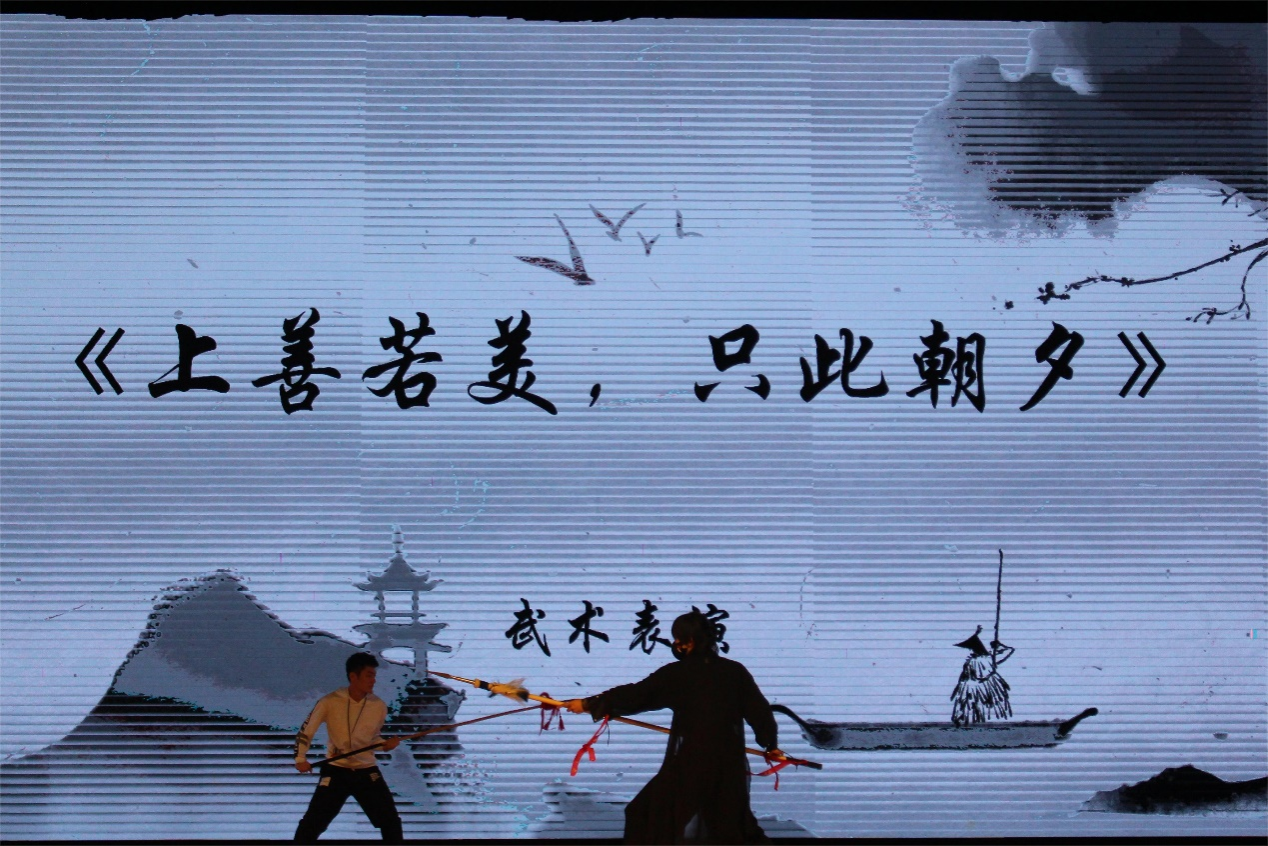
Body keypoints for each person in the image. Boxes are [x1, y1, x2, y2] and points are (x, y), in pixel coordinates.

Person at [564, 610, 784, 845]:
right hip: (727, 767)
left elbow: (636, 695)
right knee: (731, 827)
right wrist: (770, 745)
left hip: (691, 765)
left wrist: (588, 704)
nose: (676, 643)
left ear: (689, 641)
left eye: (679, 638)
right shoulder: (734, 671)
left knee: (643, 813)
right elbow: (759, 711)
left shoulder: (679, 673)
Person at [293, 652, 403, 843]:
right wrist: (300, 758)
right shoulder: (329, 701)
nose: (373, 680)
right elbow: (306, 731)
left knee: (390, 822)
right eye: (369, 675)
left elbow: (372, 740)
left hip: (366, 770)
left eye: (374, 676)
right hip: (336, 770)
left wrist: (385, 746)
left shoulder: (378, 706)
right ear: (353, 676)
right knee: (312, 824)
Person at [950, 625, 1015, 726]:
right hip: (975, 687)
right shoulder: (979, 660)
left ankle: (971, 720)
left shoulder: (986, 658)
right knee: (972, 704)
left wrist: (998, 646)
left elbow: (1009, 650)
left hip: (984, 686)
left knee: (983, 704)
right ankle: (965, 719)